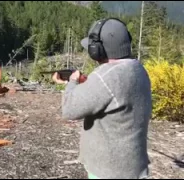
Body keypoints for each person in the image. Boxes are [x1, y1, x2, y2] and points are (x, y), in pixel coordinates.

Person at [52, 18, 152, 179]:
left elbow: (69, 110)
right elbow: (110, 98)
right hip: (132, 167)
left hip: (108, 170)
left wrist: (71, 82)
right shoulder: (138, 69)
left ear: (97, 49)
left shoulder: (105, 76)